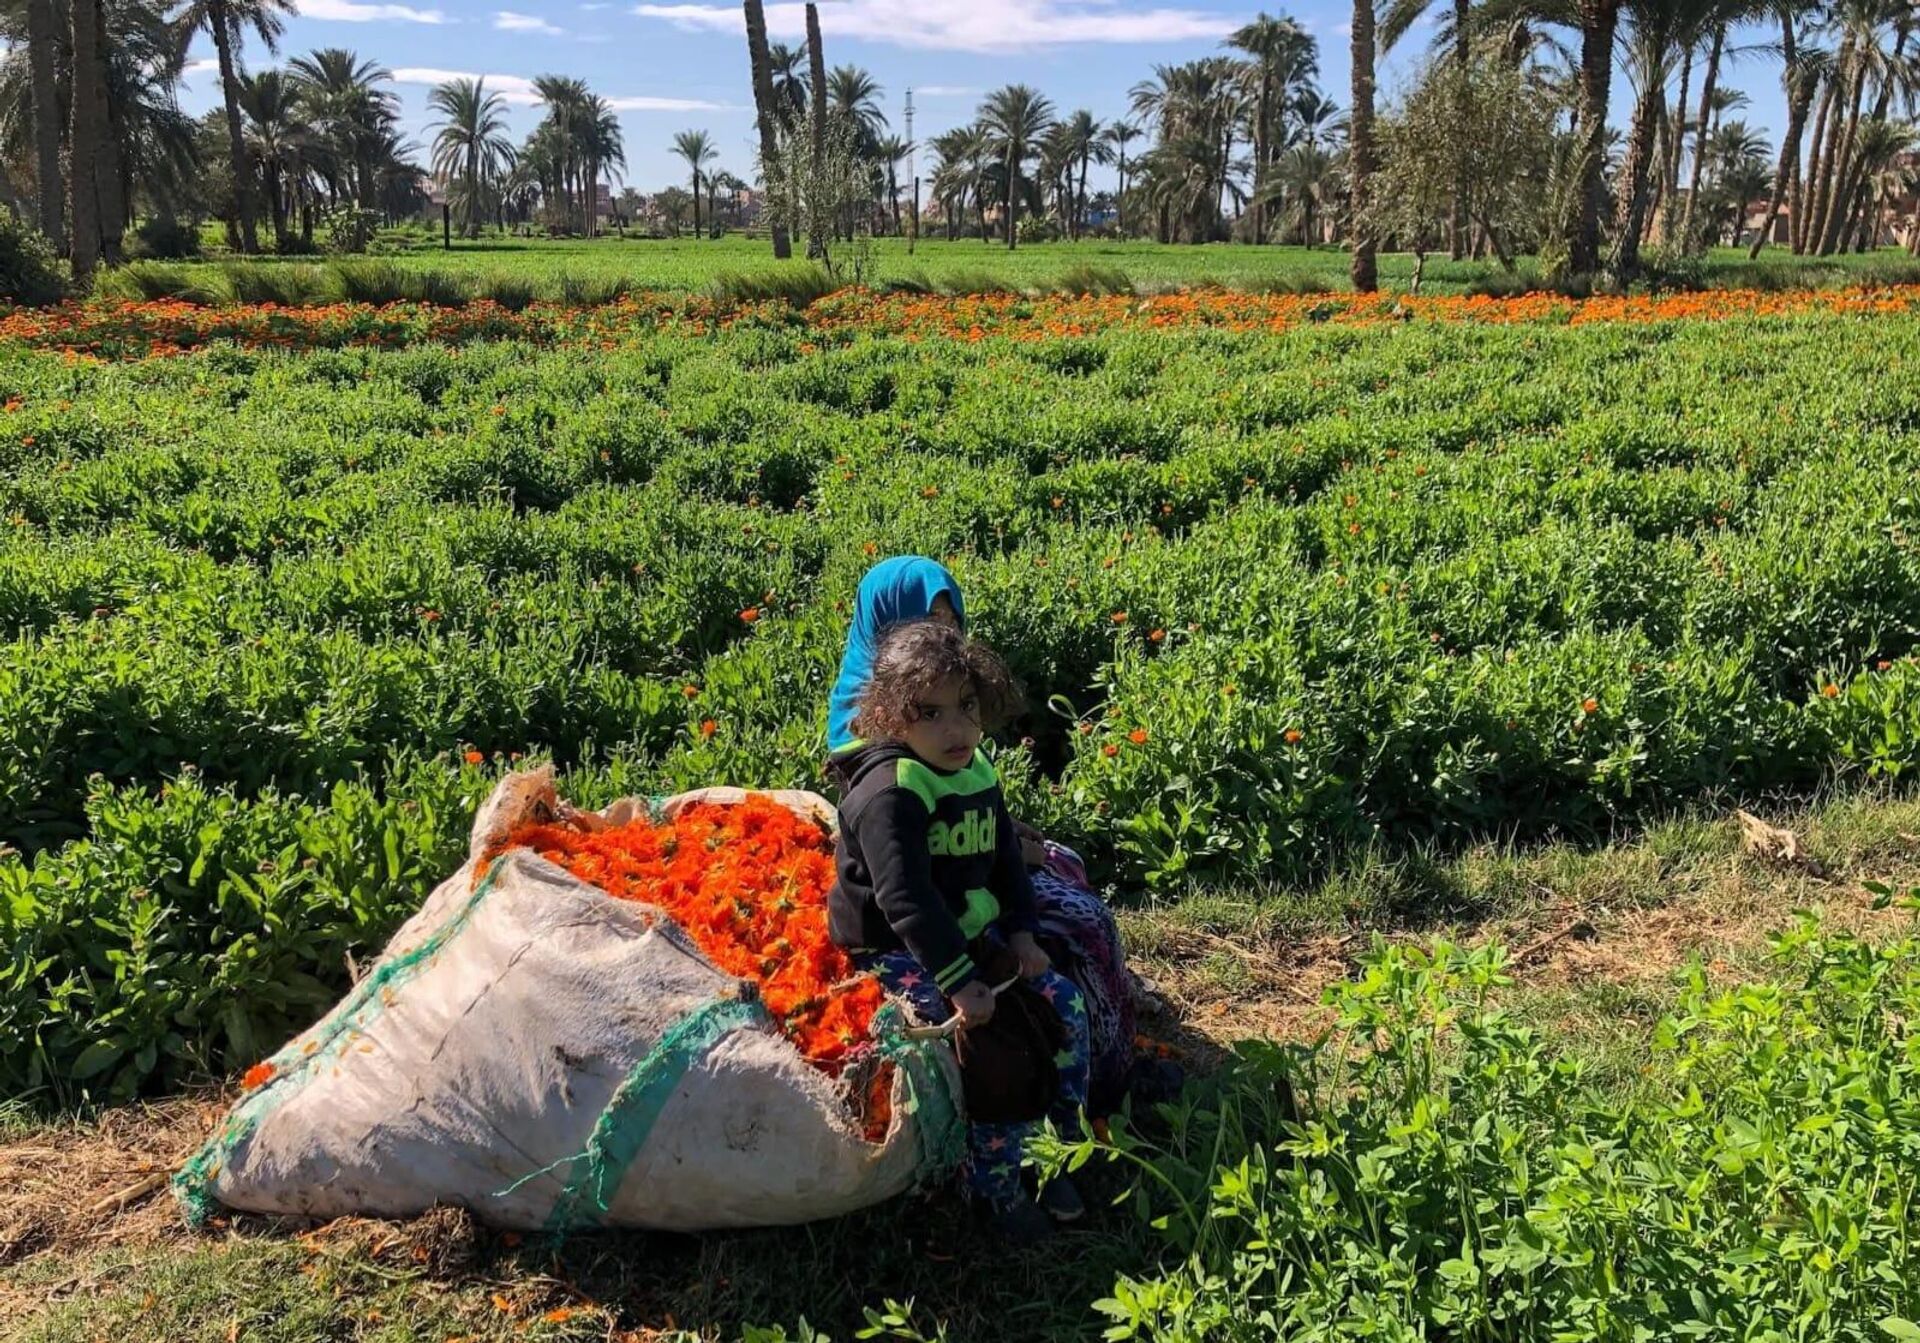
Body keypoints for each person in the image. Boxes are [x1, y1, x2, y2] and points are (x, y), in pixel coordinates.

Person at [828, 557, 1148, 1115]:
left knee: (1063, 865)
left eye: (949, 626)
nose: (939, 641)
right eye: (920, 629)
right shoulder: (878, 750)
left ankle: (1108, 1054)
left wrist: (1006, 839)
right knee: (1080, 924)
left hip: (962, 867)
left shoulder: (948, 718)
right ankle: (1103, 1078)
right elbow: (906, 879)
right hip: (934, 897)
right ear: (886, 637)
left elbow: (971, 797)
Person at [827, 622, 1089, 1243]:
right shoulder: (890, 792)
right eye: (931, 713)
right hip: (895, 945)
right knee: (989, 1054)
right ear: (891, 715)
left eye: (966, 707)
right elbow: (904, 900)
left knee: (1064, 1007)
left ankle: (1060, 1154)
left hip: (963, 932)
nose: (956, 730)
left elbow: (1004, 864)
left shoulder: (975, 772)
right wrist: (961, 981)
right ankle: (991, 1191)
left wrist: (1023, 934)